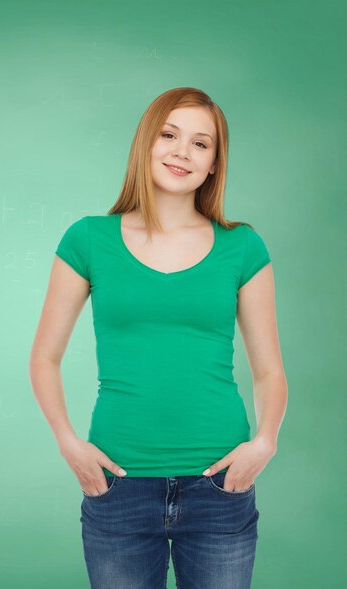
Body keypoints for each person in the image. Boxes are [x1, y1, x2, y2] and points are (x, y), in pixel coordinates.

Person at [28, 87, 288, 589]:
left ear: (214, 163)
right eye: (169, 135)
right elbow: (45, 356)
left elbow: (269, 368)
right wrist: (67, 443)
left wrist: (266, 442)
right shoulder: (88, 239)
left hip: (220, 483)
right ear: (146, 144)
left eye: (200, 143)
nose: (181, 152)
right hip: (117, 485)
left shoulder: (243, 246)